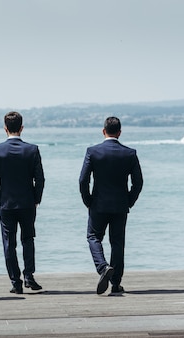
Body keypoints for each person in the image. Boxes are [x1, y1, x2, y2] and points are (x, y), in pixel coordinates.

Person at [79, 116, 143, 295]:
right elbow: (138, 183)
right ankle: (116, 283)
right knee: (117, 243)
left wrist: (88, 201)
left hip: (98, 204)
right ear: (120, 133)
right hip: (120, 205)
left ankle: (102, 267)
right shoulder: (129, 153)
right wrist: (129, 200)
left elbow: (83, 180)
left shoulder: (93, 151)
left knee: (93, 236)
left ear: (103, 131)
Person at [0, 111, 45, 294]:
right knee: (28, 239)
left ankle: (16, 282)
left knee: (8, 243)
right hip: (27, 202)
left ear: (5, 128)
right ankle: (29, 275)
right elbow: (40, 179)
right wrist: (36, 198)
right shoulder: (32, 149)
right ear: (21, 128)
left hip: (6, 203)